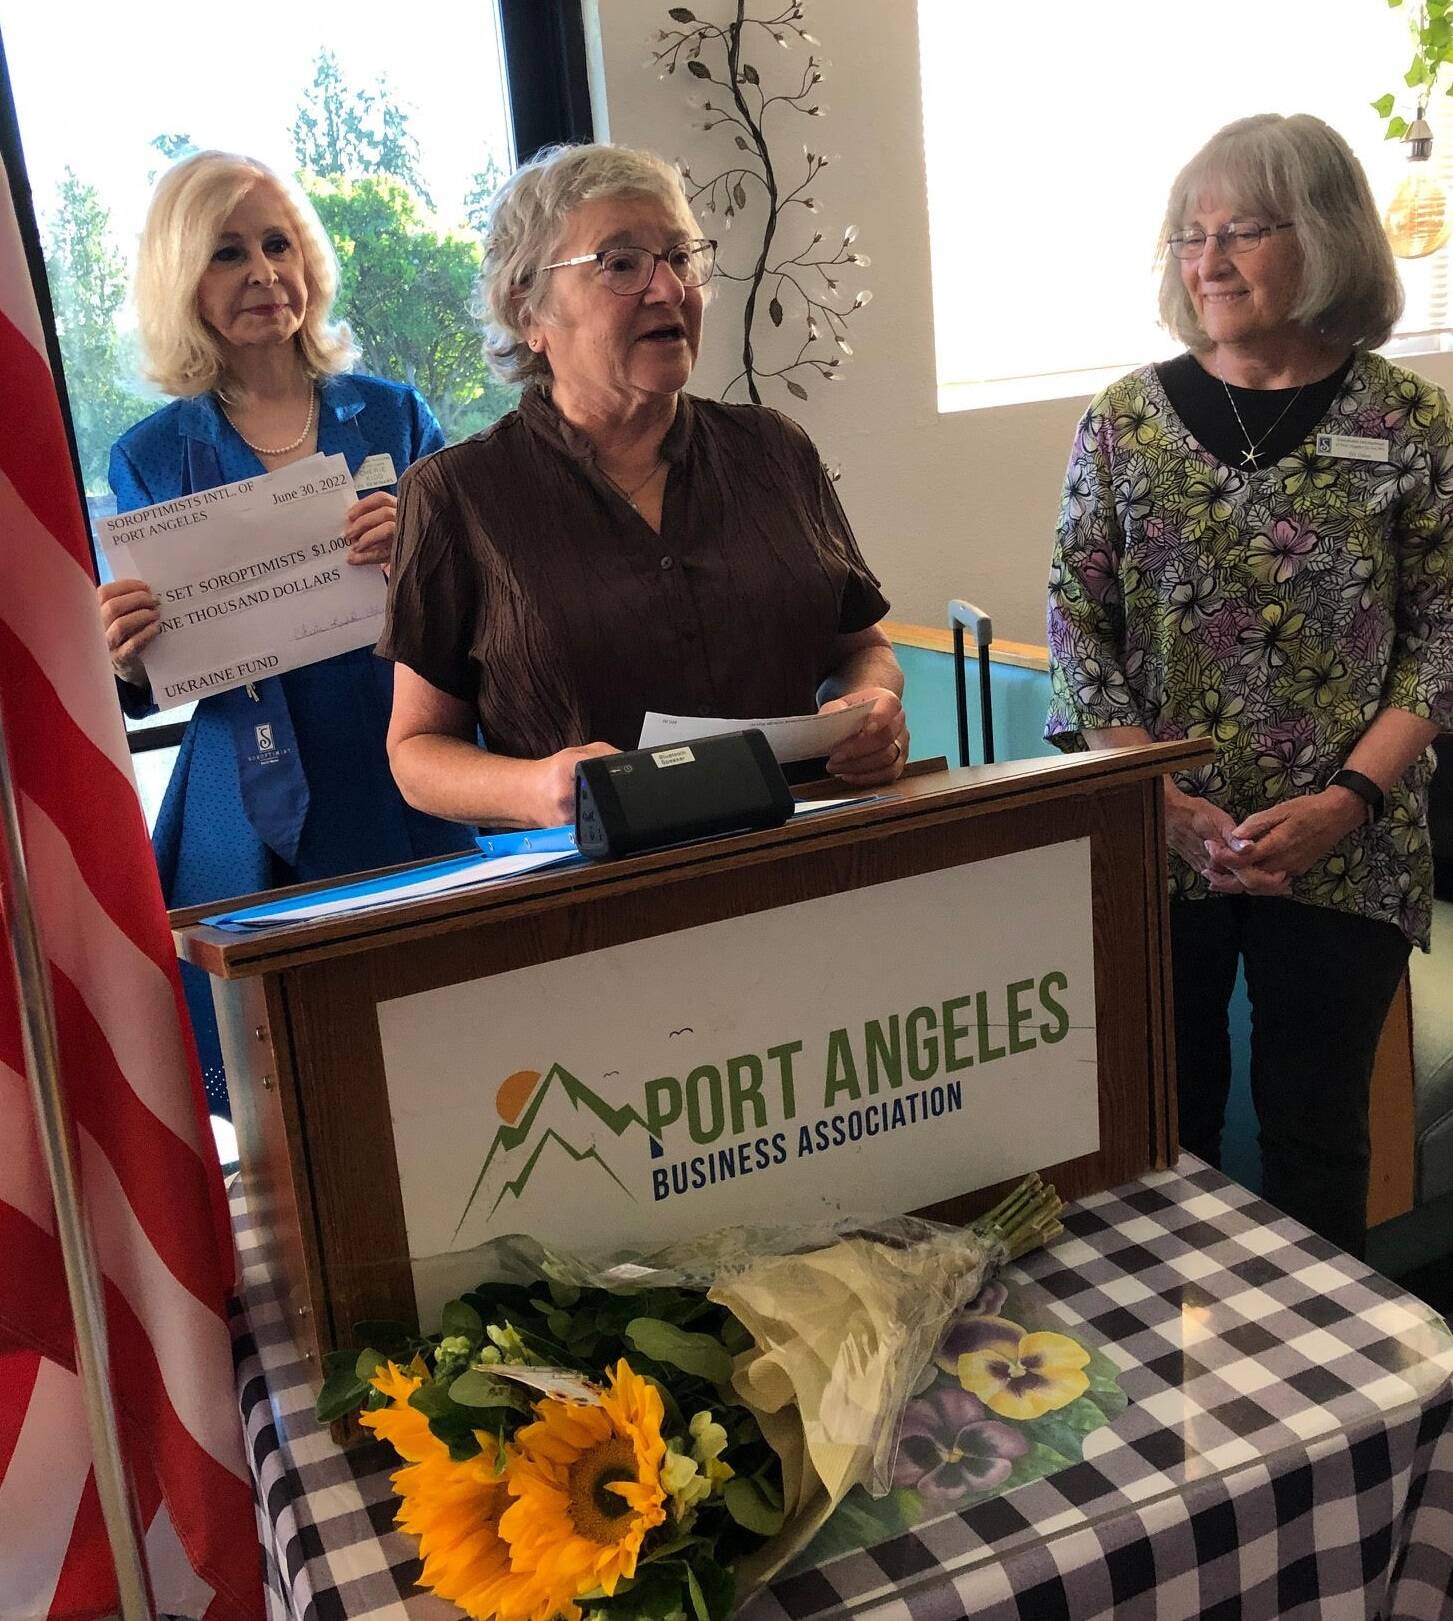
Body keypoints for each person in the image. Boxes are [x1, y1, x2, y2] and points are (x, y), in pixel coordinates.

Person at [1045, 113, 1453, 1257]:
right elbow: (1077, 627)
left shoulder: (1403, 420)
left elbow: (1444, 633)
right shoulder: (1125, 422)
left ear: (1320, 239)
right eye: (1190, 234)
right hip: (1155, 844)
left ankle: (1322, 1416)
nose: (1207, 261)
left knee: (1316, 1145)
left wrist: (1345, 805)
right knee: (1158, 1146)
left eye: (1241, 232)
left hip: (1345, 845)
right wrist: (1157, 804)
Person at [378, 143, 907, 830]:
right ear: (528, 311)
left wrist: (864, 713)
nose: (668, 290)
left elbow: (862, 649)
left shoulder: (774, 451)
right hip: (593, 903)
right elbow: (416, 750)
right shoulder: (456, 493)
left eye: (680, 257)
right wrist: (539, 789)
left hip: (806, 862)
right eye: (620, 264)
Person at [97, 151, 473, 1117]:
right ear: (184, 283)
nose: (263, 272)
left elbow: (482, 601)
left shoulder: (394, 413)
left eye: (278, 244)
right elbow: (148, 674)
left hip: (402, 760)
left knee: (451, 1040)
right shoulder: (146, 454)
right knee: (292, 1088)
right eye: (226, 254)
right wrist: (126, 654)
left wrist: (420, 554)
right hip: (246, 788)